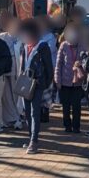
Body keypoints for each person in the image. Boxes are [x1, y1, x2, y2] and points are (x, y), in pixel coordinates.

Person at [20, 18, 54, 154]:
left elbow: (49, 68)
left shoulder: (42, 46)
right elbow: (22, 65)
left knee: (35, 113)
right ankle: (30, 138)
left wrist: (44, 84)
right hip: (25, 83)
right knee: (27, 112)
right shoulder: (24, 46)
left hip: (37, 84)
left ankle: (34, 141)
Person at [55, 22, 85, 132]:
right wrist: (57, 80)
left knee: (77, 106)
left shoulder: (82, 45)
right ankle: (67, 126)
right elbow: (58, 64)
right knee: (66, 106)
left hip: (78, 81)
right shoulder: (63, 45)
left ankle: (76, 126)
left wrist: (81, 63)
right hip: (65, 81)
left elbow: (86, 59)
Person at [0, 14, 24, 130]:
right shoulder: (2, 36)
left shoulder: (22, 38)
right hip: (4, 68)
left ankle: (18, 115)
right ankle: (9, 117)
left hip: (17, 68)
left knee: (16, 94)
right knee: (5, 94)